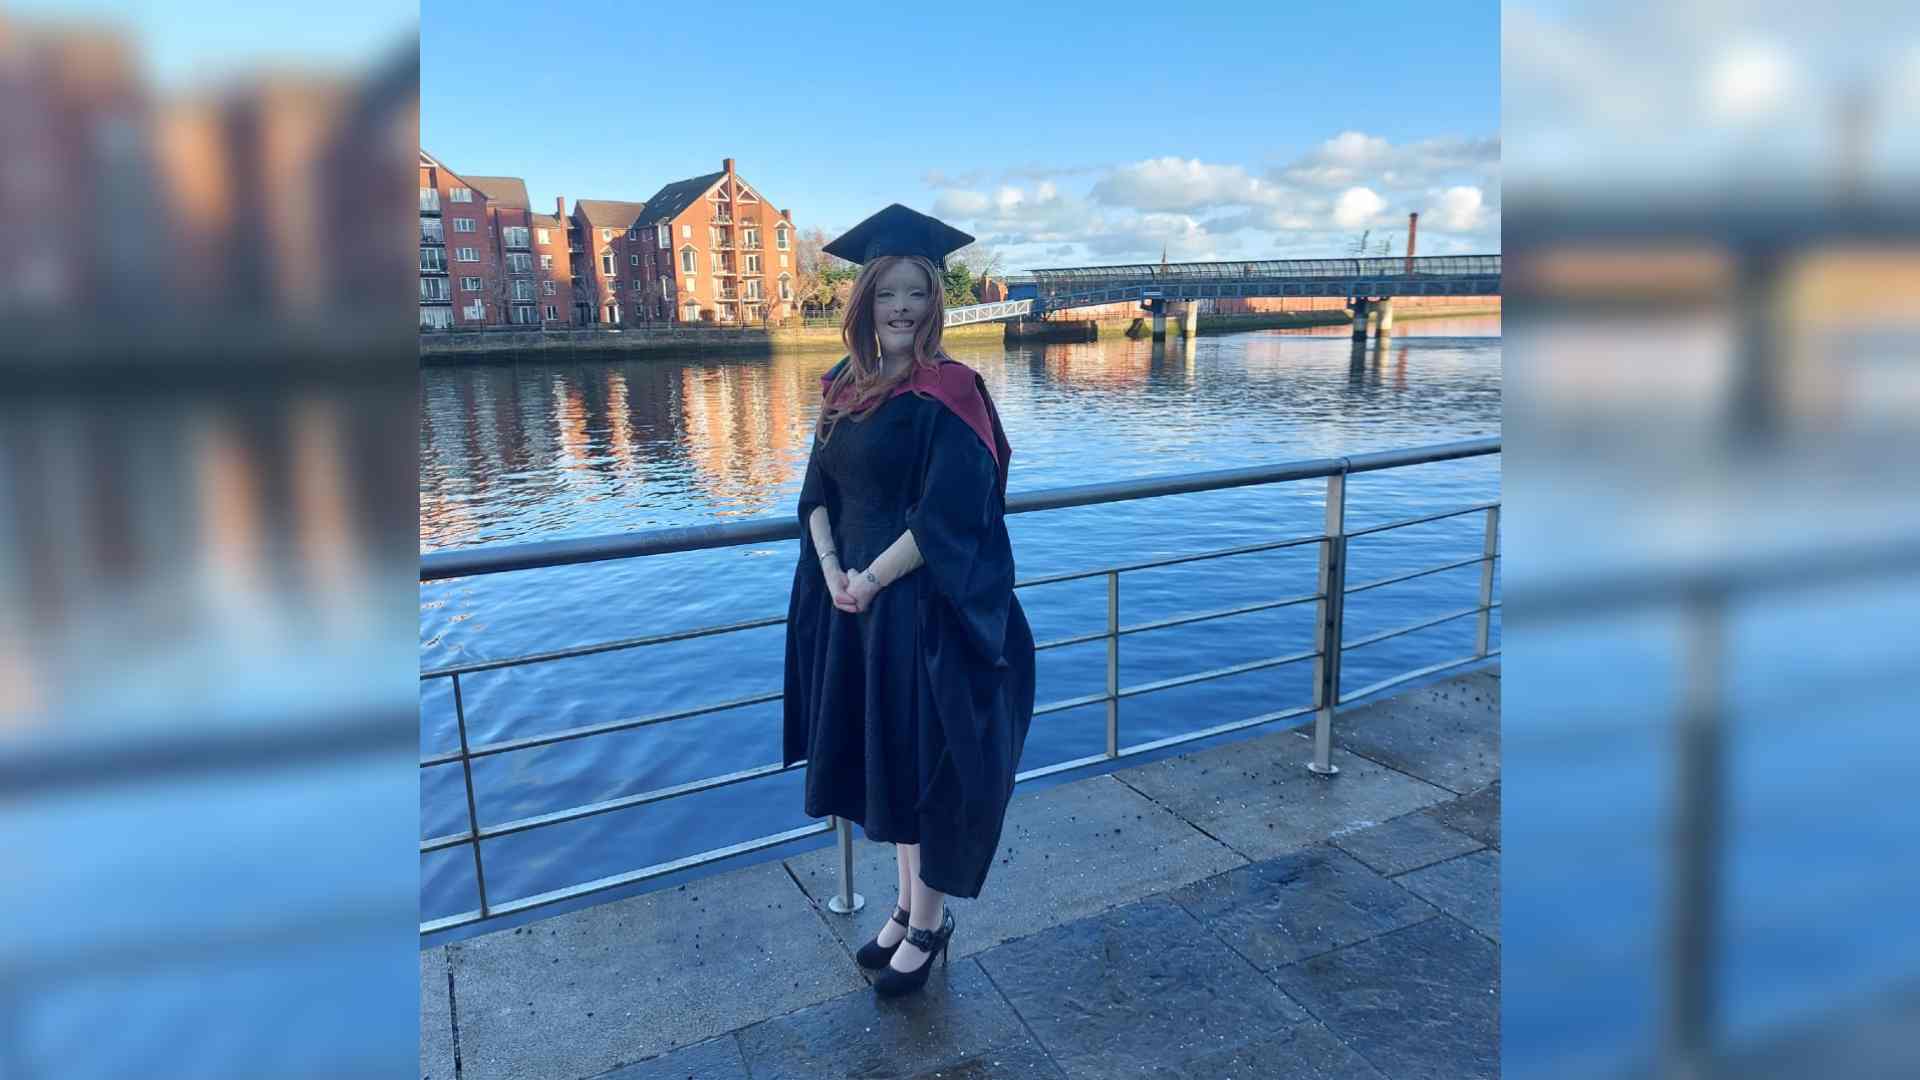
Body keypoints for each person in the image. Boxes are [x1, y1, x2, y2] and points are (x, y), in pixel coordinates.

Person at [781, 204, 1037, 999]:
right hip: (853, 606)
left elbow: (954, 516)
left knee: (924, 765)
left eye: (915, 294)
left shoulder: (953, 392)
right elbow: (817, 492)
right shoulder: (841, 387)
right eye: (887, 293)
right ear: (864, 302)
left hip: (923, 611)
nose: (901, 308)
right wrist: (831, 573)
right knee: (882, 760)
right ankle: (901, 908)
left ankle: (929, 924)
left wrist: (870, 578)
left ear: (935, 304)